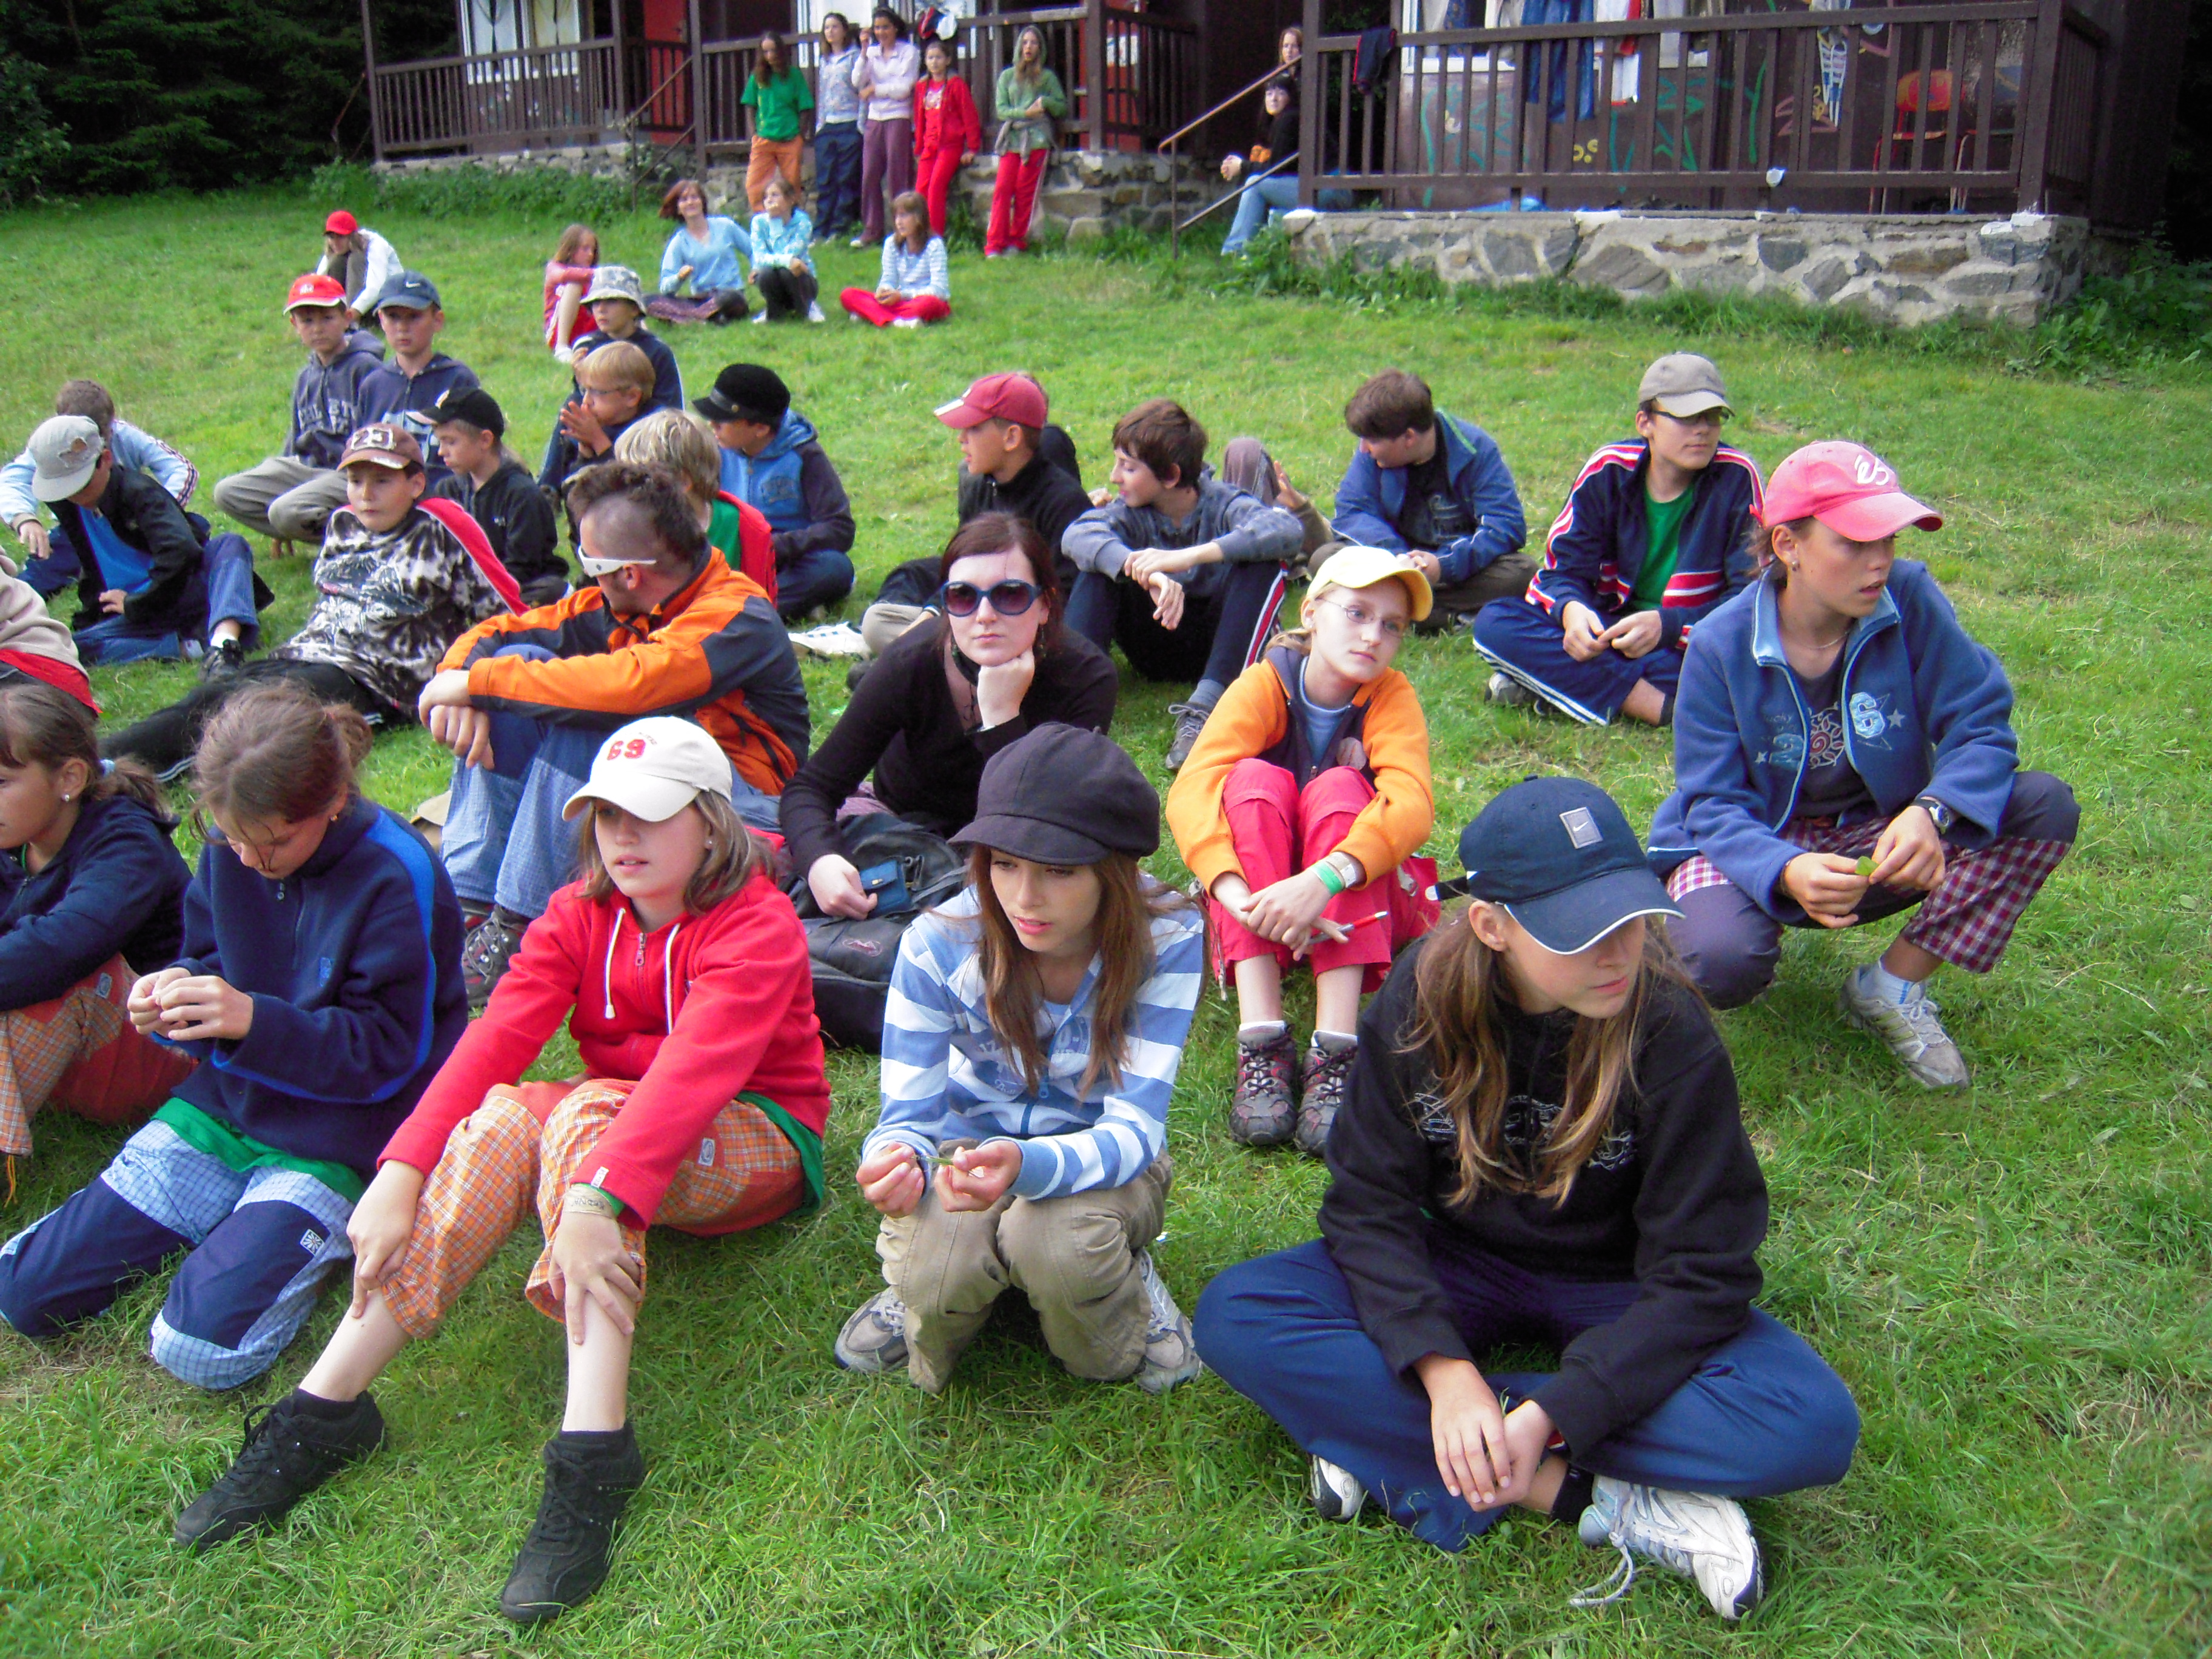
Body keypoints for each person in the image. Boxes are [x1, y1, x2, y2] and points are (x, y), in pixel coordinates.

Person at [171, 716, 830, 1623]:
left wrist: (596, 1199)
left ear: (712, 823)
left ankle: (594, 1452)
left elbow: (693, 1078)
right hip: (616, 1122)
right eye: (607, 817)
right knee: (499, 1118)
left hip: (757, 1133)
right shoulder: (579, 912)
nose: (623, 838)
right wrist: (403, 1168)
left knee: (586, 1123)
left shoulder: (758, 923)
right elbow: (495, 1040)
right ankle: (325, 1409)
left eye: (650, 816)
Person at [1193, 777, 1860, 1623]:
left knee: (1810, 1422)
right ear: (1492, 926)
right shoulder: (1418, 1000)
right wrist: (1444, 1374)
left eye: (1630, 918)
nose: (1618, 953)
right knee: (1239, 1312)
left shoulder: (1669, 1031)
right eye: (1583, 932)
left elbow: (1705, 1271)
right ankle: (1581, 1493)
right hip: (1458, 1259)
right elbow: (1368, 1203)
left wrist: (1556, 1409)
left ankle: (1383, 1433)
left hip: (1616, 1282)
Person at [0, 679, 469, 1390]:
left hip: (346, 1131)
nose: (250, 860)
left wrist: (252, 1020)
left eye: (274, 842)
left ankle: (292, 1225)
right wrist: (176, 994)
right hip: (227, 1104)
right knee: (23, 1292)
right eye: (233, 838)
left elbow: (390, 1054)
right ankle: (237, 1218)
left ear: (333, 801)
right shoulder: (232, 841)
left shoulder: (395, 870)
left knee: (199, 1349)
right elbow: (207, 955)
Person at [1649, 441, 2079, 1089]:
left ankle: (1891, 987)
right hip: (1756, 833)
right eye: (1854, 542)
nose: (1879, 560)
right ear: (1788, 545)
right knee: (1719, 962)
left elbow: (1981, 725)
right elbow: (1712, 803)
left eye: (1889, 538)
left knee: (2042, 806)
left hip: (1875, 831)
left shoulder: (1909, 599)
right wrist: (1784, 869)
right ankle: (1675, 917)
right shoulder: (1719, 643)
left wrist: (1932, 812)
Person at [834, 723, 1206, 1398]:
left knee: (1060, 1250)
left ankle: (1121, 1269)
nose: (1024, 898)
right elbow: (908, 1117)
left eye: (1059, 871)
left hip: (1103, 1158)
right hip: (968, 1151)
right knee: (935, 1273)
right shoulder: (935, 944)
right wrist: (898, 1161)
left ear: (1115, 870)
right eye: (1004, 864)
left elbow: (1135, 1129)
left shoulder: (1169, 937)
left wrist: (1028, 1167)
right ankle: (918, 1281)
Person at [424, 463, 808, 1008]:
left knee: (599, 722)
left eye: (590, 564)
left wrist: (477, 685)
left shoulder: (736, 614)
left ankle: (520, 926)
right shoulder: (619, 603)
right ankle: (468, 905)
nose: (586, 578)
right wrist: (458, 683)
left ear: (629, 574)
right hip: (659, 780)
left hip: (745, 804)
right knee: (520, 664)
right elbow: (502, 632)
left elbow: (631, 688)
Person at [1168, 546, 1439, 1153]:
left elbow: (1412, 804)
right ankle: (1262, 1040)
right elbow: (1192, 789)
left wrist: (1324, 881)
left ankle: (1335, 1051)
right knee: (1249, 780)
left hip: (1343, 896)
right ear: (1311, 612)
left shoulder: (1390, 696)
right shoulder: (1264, 683)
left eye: (1392, 625)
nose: (1373, 636)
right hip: (1261, 896)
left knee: (1343, 789)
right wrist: (1239, 899)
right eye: (1357, 613)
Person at [102, 426, 515, 780]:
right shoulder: (343, 523)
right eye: (355, 480)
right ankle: (101, 758)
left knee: (246, 717)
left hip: (370, 680)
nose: (366, 494)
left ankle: (113, 770)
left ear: (416, 484)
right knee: (214, 695)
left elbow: (504, 611)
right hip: (305, 654)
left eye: (382, 481)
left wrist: (460, 677)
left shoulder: (441, 527)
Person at [783, 514, 1117, 919]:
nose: (984, 614)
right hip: (905, 830)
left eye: (1010, 595)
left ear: (1044, 604)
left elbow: (1050, 820)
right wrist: (821, 861)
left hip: (1022, 852)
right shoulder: (911, 662)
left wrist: (1002, 718)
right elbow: (812, 787)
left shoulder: (1086, 677)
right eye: (962, 596)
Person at [1472, 353, 1763, 728]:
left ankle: (1555, 686)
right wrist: (1572, 611)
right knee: (1496, 622)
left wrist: (1667, 626)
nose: (1703, 430)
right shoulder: (1608, 470)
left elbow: (1749, 602)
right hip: (1609, 632)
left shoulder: (1738, 478)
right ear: (1645, 422)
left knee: (1738, 668)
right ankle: (1661, 707)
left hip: (1685, 643)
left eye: (1713, 417)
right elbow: (1560, 574)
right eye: (1688, 417)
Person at [0, 682, 196, 1168]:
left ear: (70, 777)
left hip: (167, 1046)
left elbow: (63, 949)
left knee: (68, 977)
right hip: (77, 1057)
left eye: (1, 783)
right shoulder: (16, 837)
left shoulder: (126, 843)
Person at [1062, 398, 1303, 768]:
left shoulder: (1223, 503)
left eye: (1128, 467)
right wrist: (1144, 571)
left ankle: (1205, 710)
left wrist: (1187, 557)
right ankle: (1068, 700)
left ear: (1172, 476)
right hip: (1153, 641)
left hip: (1222, 646)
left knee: (1262, 564)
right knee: (1098, 564)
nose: (1114, 477)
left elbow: (1286, 530)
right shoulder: (1127, 513)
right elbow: (1076, 535)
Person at [28, 416, 269, 678]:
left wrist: (136, 603)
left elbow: (182, 552)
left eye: (82, 485)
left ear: (106, 460)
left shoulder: (139, 493)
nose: (76, 496)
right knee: (70, 647)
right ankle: (189, 647)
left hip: (179, 594)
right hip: (132, 616)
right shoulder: (69, 507)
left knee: (230, 545)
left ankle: (224, 644)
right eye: (65, 489)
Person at [1328, 370, 1535, 629]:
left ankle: (1398, 608)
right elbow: (1352, 512)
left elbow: (1505, 525)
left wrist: (1443, 565)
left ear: (1409, 437)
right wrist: (1399, 560)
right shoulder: (1373, 455)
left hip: (1452, 571)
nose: (1363, 449)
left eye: (1372, 441)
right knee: (1327, 558)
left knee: (1522, 572)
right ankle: (1439, 614)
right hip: (1392, 566)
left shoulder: (1476, 449)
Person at [210, 275, 386, 550]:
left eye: (327, 318)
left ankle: (365, 539)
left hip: (350, 473)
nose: (317, 328)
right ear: (295, 325)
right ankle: (305, 527)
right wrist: (280, 524)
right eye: (307, 321)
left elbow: (380, 439)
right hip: (307, 468)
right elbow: (294, 441)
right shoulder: (306, 376)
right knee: (227, 492)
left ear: (347, 318)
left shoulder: (366, 368)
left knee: (284, 511)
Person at [7, 380, 200, 598]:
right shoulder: (52, 447)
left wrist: (160, 512)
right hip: (78, 532)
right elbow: (12, 480)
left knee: (172, 566)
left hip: (133, 527)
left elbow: (181, 468)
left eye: (103, 435)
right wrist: (24, 519)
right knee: (30, 587)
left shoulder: (124, 436)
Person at [692, 364, 856, 620]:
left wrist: (776, 547)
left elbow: (840, 528)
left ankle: (735, 612)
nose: (712, 424)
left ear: (760, 429)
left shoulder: (804, 455)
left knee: (834, 568)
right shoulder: (713, 451)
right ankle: (758, 608)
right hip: (733, 553)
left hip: (785, 559)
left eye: (723, 419)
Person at [613, 409, 777, 602]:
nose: (628, 491)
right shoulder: (631, 529)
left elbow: (763, 602)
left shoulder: (744, 526)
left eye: (640, 482)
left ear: (683, 482)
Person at [428, 387, 566, 608]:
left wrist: (477, 594)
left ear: (485, 440)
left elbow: (523, 567)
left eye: (450, 442)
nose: (441, 452)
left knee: (549, 589)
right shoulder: (448, 491)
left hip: (516, 589)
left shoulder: (522, 495)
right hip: (465, 590)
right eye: (439, 442)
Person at [1218, 30, 1352, 256]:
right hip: (1320, 186)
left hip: (1331, 190)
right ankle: (1252, 252)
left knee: (1255, 183)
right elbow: (1283, 167)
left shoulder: (1291, 119)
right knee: (1262, 191)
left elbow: (1276, 169)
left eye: (1280, 93)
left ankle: (1234, 251)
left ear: (1291, 96)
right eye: (1269, 93)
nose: (1274, 98)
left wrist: (1242, 166)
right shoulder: (1283, 120)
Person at [355, 272, 481, 488]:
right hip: (384, 495)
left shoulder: (458, 379)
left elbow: (478, 455)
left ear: (437, 320)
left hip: (444, 494)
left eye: (414, 317)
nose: (402, 327)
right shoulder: (373, 385)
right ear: (381, 321)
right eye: (393, 317)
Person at [541, 341, 655, 547]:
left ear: (632, 397)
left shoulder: (651, 432)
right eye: (584, 390)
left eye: (597, 392)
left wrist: (599, 443)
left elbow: (637, 493)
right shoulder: (596, 424)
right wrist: (584, 454)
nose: (586, 401)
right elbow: (575, 499)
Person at [985, 25, 1065, 257]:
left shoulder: (1047, 78)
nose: (1029, 47)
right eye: (1025, 42)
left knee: (1025, 191)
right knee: (1002, 189)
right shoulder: (1007, 76)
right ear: (1019, 46)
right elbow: (1001, 110)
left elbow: (1061, 107)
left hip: (1037, 140)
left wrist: (1045, 102)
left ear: (1041, 48)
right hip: (1012, 139)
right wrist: (1024, 113)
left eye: (1034, 43)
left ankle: (1017, 242)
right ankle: (995, 244)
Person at [854, 7, 922, 247]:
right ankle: (871, 229)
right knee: (870, 174)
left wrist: (876, 89)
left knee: (897, 174)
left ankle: (901, 230)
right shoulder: (871, 53)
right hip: (875, 117)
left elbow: (904, 88)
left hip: (898, 116)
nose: (881, 32)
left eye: (885, 27)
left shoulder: (909, 52)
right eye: (877, 28)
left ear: (895, 28)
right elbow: (856, 81)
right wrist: (863, 52)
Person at [575, 267, 684, 411]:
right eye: (595, 302)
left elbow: (671, 409)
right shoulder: (587, 346)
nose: (601, 309)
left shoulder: (657, 352)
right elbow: (579, 401)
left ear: (634, 309)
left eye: (611, 301)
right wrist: (581, 379)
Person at [645, 181, 752, 327]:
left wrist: (756, 270)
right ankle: (708, 317)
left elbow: (753, 250)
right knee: (648, 301)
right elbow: (665, 286)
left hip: (730, 296)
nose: (690, 202)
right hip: (701, 300)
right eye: (684, 199)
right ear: (678, 209)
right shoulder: (679, 241)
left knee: (729, 298)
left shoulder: (725, 226)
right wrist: (679, 277)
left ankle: (691, 318)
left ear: (703, 202)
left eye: (694, 197)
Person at [841, 192, 951, 328]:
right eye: (896, 216)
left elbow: (939, 290)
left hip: (920, 299)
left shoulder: (934, 245)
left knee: (929, 304)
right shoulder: (891, 243)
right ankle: (898, 322)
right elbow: (888, 278)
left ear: (918, 218)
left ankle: (872, 315)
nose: (899, 222)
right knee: (848, 295)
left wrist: (902, 295)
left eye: (904, 216)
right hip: (898, 301)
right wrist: (884, 291)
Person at [912, 37, 980, 240]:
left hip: (950, 145)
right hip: (929, 145)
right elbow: (919, 118)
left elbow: (969, 115)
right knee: (920, 190)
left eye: (939, 57)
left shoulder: (956, 85)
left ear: (948, 60)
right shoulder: (922, 87)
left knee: (936, 188)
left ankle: (935, 238)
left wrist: (972, 147)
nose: (934, 62)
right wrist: (919, 147)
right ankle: (918, 236)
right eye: (930, 58)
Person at [742, 32, 813, 213]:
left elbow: (806, 107)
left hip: (790, 138)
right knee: (754, 184)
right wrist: (754, 134)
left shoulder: (794, 75)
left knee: (791, 185)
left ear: (781, 51)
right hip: (764, 138)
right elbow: (749, 105)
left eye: (773, 50)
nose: (770, 56)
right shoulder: (757, 77)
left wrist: (800, 135)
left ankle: (791, 220)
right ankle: (763, 219)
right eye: (766, 52)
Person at [813, 13, 866, 243]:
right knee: (826, 179)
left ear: (844, 30)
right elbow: (822, 93)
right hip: (828, 126)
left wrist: (861, 124)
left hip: (849, 123)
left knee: (846, 179)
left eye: (835, 27)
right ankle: (821, 229)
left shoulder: (855, 57)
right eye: (827, 27)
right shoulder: (824, 60)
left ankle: (840, 227)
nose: (830, 31)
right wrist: (820, 124)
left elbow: (862, 91)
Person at [747, 175, 824, 323]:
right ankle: (774, 311)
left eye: (775, 195)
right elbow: (760, 257)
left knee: (788, 270)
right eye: (766, 197)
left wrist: (776, 222)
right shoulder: (758, 222)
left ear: (790, 200)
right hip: (774, 275)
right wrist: (774, 220)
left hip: (801, 280)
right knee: (766, 274)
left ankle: (808, 307)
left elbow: (790, 253)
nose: (769, 200)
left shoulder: (803, 222)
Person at [317, 209, 403, 321]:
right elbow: (320, 278)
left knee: (356, 260)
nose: (335, 242)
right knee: (337, 261)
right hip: (363, 306)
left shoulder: (376, 245)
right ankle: (335, 315)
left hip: (387, 303)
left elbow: (376, 288)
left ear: (352, 237)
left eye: (341, 237)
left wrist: (350, 315)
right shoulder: (336, 251)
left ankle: (350, 321)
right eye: (331, 237)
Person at [543, 223, 599, 359]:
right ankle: (561, 348)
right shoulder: (554, 268)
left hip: (587, 330)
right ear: (570, 249)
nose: (590, 254)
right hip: (558, 331)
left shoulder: (593, 275)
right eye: (585, 248)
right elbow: (565, 275)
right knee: (575, 284)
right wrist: (601, 274)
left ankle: (642, 341)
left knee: (622, 295)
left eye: (593, 250)